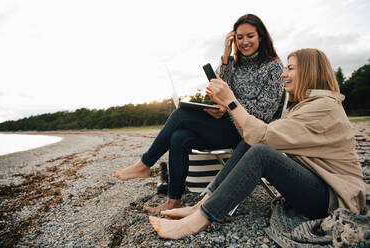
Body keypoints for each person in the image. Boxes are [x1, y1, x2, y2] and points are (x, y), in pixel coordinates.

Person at [148, 48, 367, 239]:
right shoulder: (307, 104)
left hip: (331, 199)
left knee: (261, 152)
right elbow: (258, 135)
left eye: (290, 68)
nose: (284, 73)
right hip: (318, 184)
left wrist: (231, 101)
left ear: (310, 71)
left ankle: (197, 221)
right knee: (250, 142)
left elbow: (263, 138)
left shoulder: (323, 107)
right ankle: (201, 204)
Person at [114, 14, 284, 213]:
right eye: (239, 37)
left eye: (250, 36)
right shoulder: (234, 64)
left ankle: (144, 164)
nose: (244, 42)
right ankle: (173, 200)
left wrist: (229, 106)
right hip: (225, 127)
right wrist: (226, 56)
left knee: (180, 115)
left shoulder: (273, 67)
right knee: (179, 137)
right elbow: (220, 87)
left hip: (247, 134)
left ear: (261, 37)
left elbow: (265, 111)